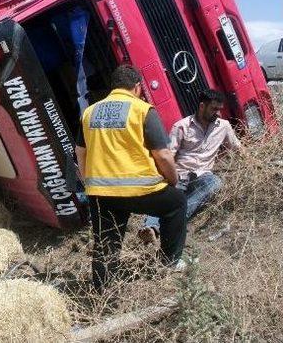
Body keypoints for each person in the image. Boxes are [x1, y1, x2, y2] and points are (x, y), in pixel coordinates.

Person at [75, 64, 187, 292]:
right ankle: (169, 263)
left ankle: (101, 290)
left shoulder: (89, 112)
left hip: (102, 193)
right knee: (176, 203)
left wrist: (90, 183)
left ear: (113, 87)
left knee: (106, 242)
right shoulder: (143, 110)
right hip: (142, 190)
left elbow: (80, 152)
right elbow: (163, 155)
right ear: (136, 87)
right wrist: (173, 180)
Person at [138, 89, 241, 244]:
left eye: (219, 109)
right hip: (180, 174)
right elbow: (169, 155)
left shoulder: (223, 126)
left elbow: (237, 149)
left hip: (204, 176)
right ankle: (149, 229)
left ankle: (171, 221)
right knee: (167, 194)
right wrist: (166, 177)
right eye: (214, 109)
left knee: (215, 183)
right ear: (201, 106)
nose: (217, 113)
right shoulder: (181, 126)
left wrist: (257, 164)